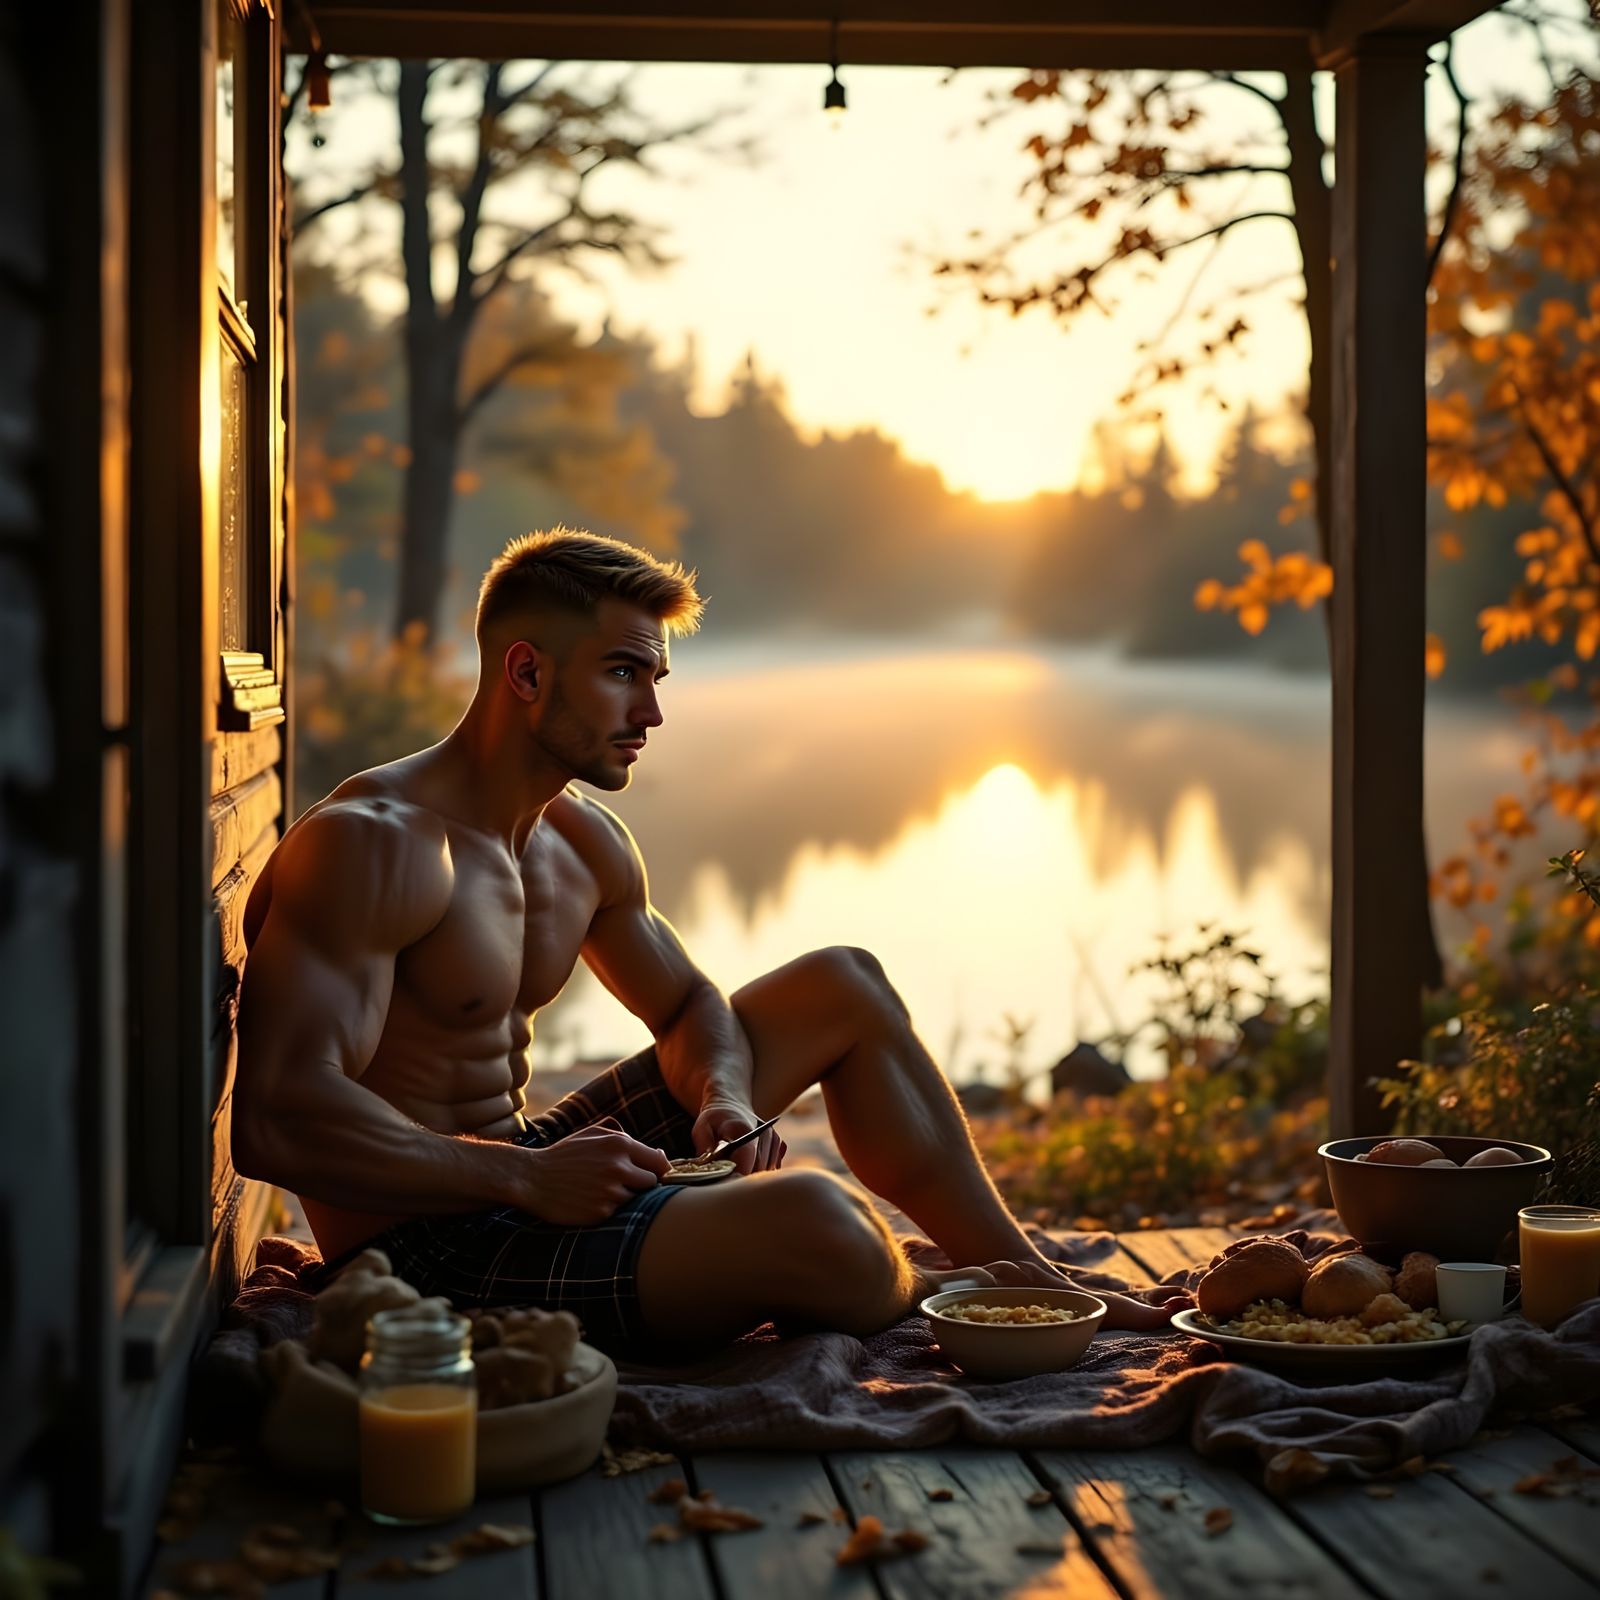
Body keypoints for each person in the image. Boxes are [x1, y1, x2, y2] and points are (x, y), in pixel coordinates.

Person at [233, 528, 1188, 1353]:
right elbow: (278, 1119)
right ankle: (953, 1296)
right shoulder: (375, 845)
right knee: (824, 1224)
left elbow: (691, 1006)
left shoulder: (577, 841)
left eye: (655, 678)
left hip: (523, 1169)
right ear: (525, 672)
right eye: (622, 675)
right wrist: (525, 1178)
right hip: (427, 1249)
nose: (650, 713)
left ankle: (1027, 1277)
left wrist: (723, 1101)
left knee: (842, 984)